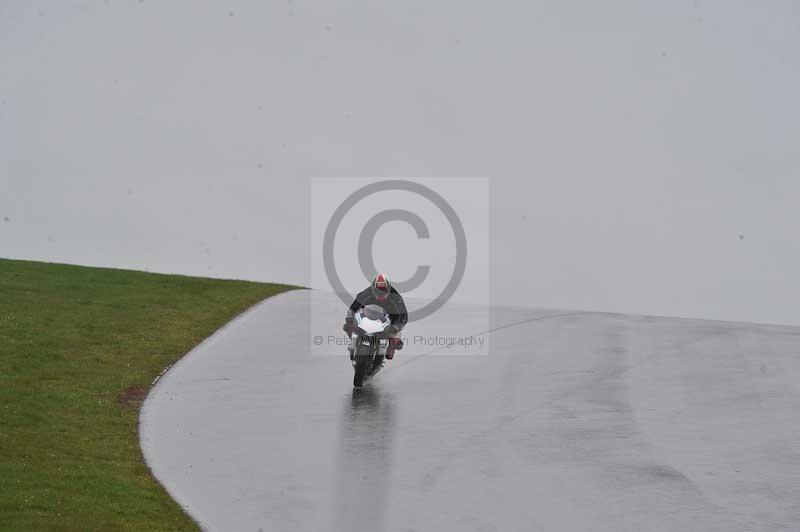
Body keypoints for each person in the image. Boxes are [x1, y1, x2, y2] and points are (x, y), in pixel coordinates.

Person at [343, 273, 407, 360]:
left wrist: (396, 326)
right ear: (373, 287)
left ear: (388, 288)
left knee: (394, 338)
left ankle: (390, 348)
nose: (381, 293)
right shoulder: (365, 294)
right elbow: (353, 307)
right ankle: (354, 343)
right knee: (348, 326)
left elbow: (403, 315)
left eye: (384, 290)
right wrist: (350, 318)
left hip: (389, 320)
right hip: (368, 317)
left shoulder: (396, 297)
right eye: (378, 290)